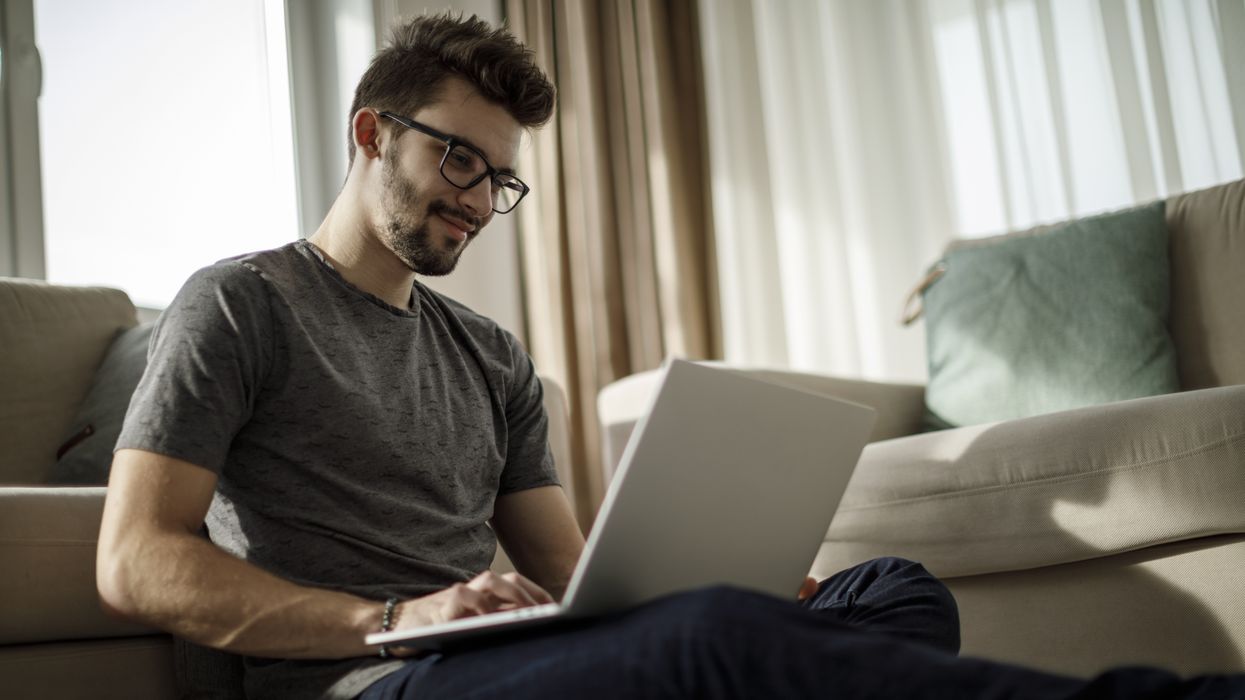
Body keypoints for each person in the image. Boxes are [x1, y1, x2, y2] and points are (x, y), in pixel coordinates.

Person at [97, 12, 1242, 700]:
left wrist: (716, 572)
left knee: (890, 591)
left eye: (500, 180)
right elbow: (134, 559)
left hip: (503, 661)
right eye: (459, 163)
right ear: (371, 134)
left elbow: (574, 568)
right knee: (720, 645)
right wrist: (395, 617)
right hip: (380, 679)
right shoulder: (240, 306)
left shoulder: (488, 353)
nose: (481, 203)